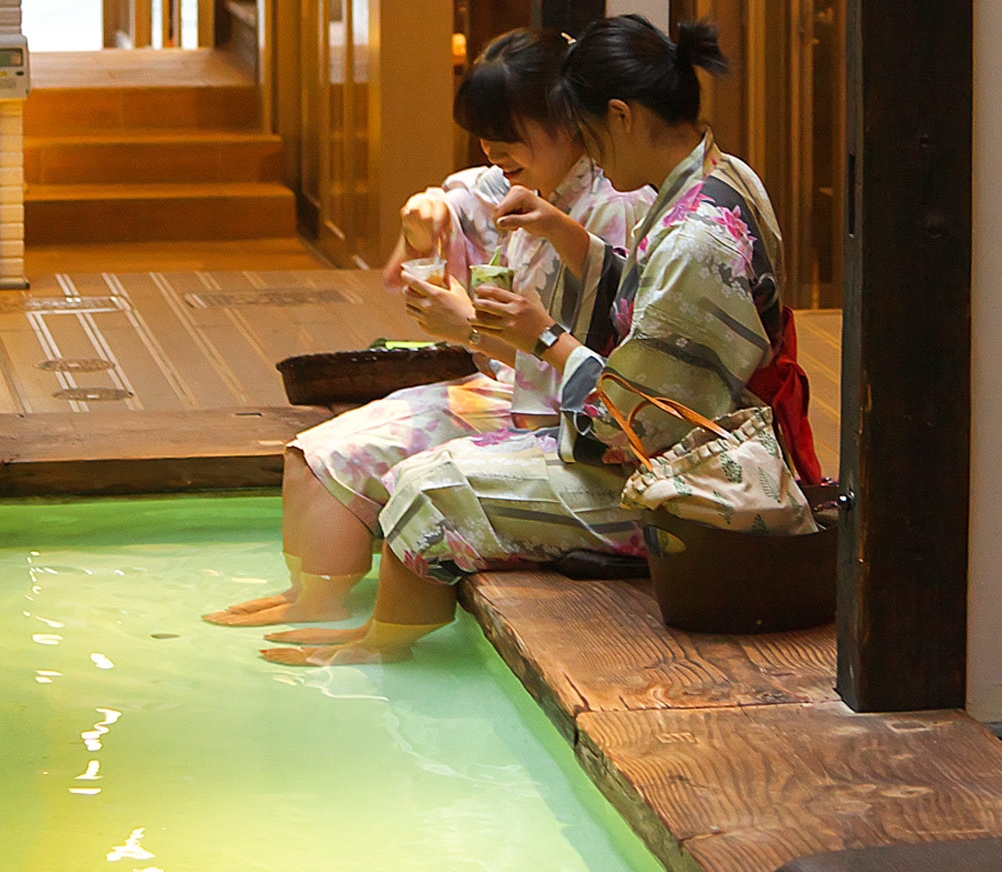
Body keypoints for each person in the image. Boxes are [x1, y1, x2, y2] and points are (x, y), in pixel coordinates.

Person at [263, 16, 808, 666]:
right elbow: (641, 306)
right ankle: (382, 634)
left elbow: (637, 422)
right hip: (687, 448)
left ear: (621, 116)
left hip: (688, 493)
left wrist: (541, 336)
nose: (591, 153)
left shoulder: (694, 238)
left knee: (425, 489)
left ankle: (386, 649)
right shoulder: (720, 178)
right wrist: (569, 238)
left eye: (591, 134)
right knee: (415, 474)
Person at [206, 28, 649, 629]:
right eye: (486, 136)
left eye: (510, 134)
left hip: (577, 426)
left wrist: (469, 329)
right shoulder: (513, 182)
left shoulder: (612, 206)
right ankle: (317, 595)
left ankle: (352, 623)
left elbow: (589, 367)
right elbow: (452, 205)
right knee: (314, 455)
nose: (494, 150)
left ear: (568, 118)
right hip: (509, 395)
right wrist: (424, 217)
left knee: (412, 481)